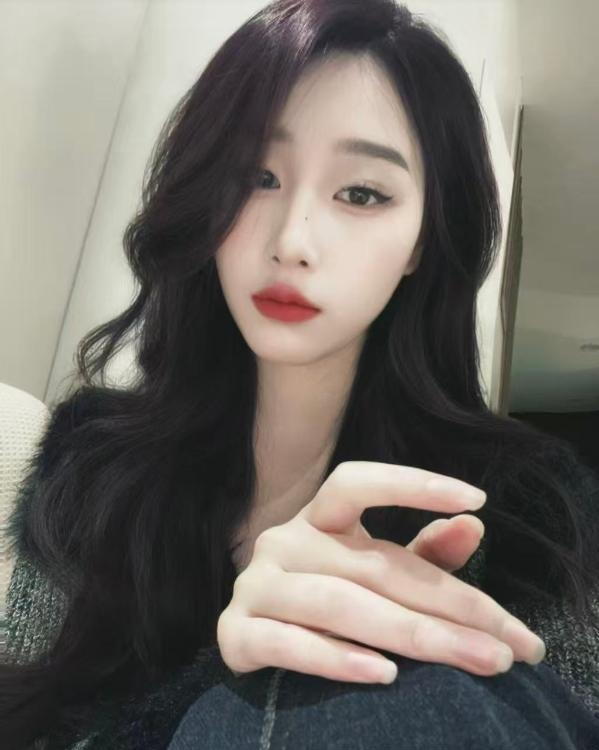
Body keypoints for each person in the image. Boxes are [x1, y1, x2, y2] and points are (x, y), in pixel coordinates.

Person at [1, 0, 599, 748]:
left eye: (361, 193)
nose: (292, 242)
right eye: (256, 175)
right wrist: (232, 667)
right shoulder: (93, 462)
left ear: (421, 241)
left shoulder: (527, 502)